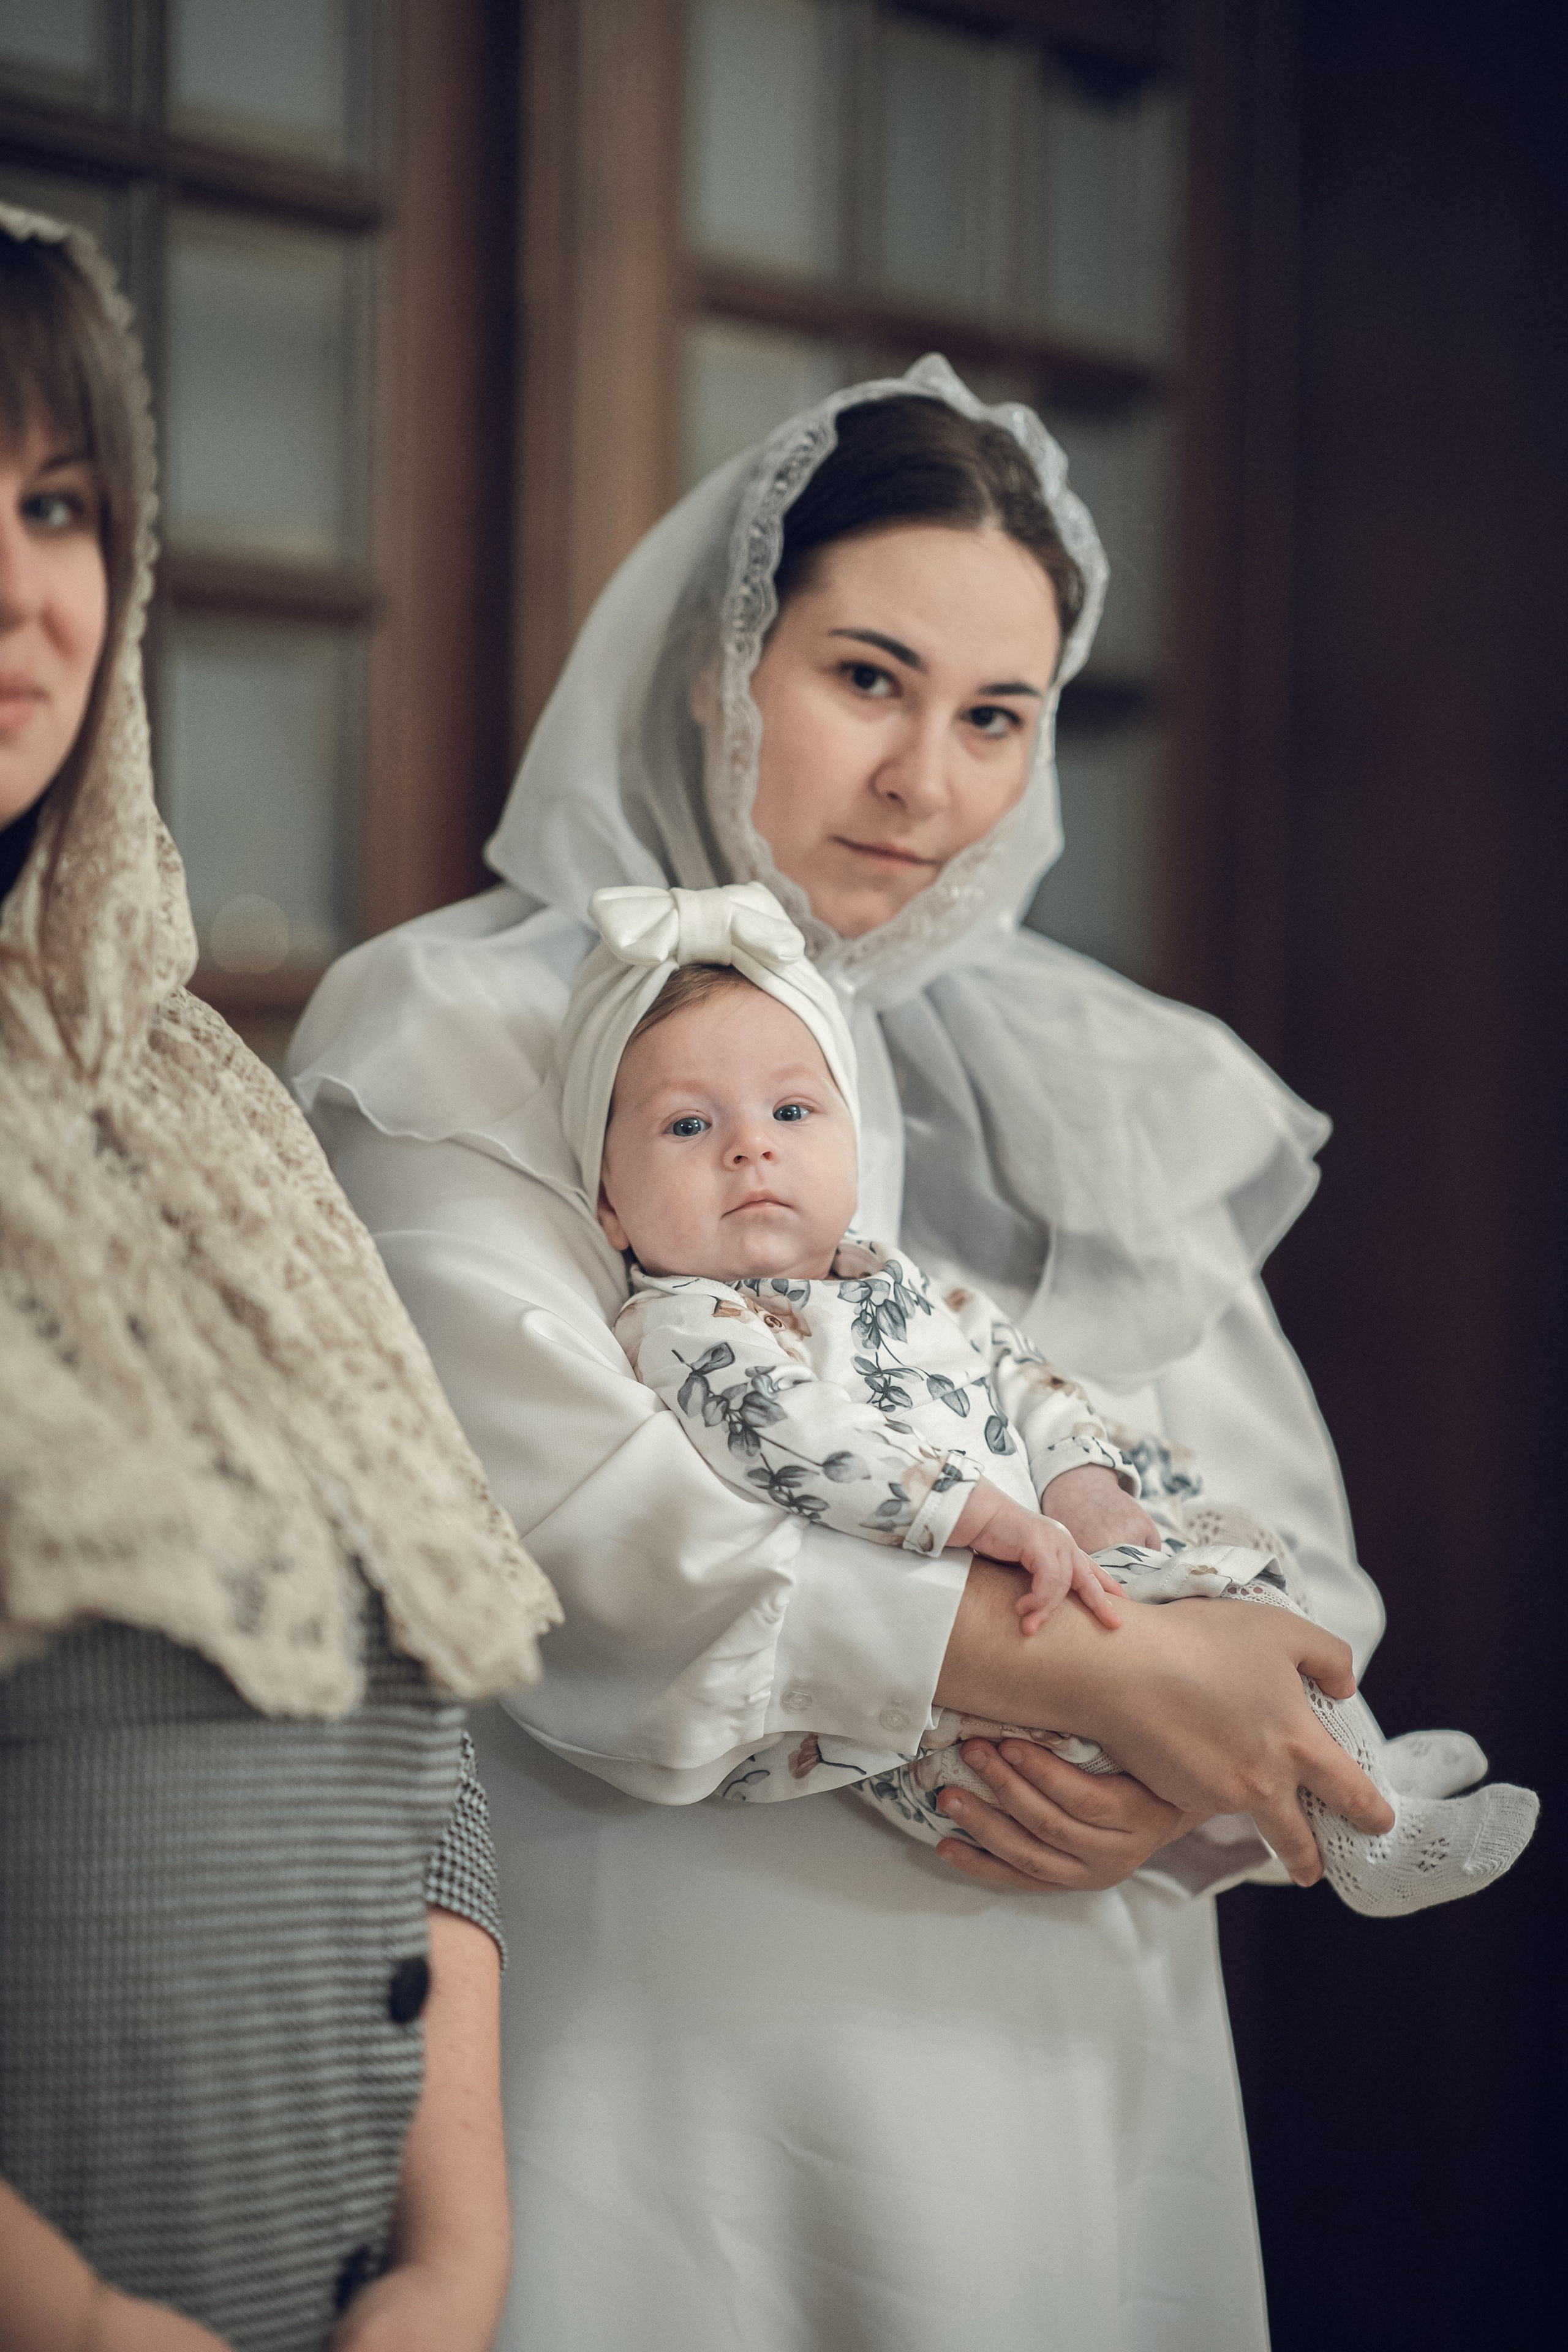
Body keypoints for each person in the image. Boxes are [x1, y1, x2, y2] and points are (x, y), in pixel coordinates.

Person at [289, 362, 1404, 2350]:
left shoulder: (1088, 1071)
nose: (928, 784)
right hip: (688, 2043)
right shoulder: (462, 1027)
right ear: (723, 656)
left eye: (998, 717)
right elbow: (564, 1540)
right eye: (867, 679)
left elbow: (1297, 1579)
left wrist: (1189, 1782)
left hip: (1080, 2046)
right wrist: (1134, 1675)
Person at [0, 208, 560, 2352]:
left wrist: (455, 2261)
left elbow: (415, 1700)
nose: (19, 582)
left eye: (61, 502)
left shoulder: (203, 1096)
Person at [569, 875, 1539, 1915]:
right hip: (933, 1707)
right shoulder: (689, 1322)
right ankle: (1364, 1830)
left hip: (1038, 1571)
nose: (749, 1145)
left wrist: (1080, 1479)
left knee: (1241, 1580)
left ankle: (1366, 1784)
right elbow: (794, 1440)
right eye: (685, 1128)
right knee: (1151, 1679)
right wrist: (974, 1512)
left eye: (793, 1110)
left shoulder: (896, 1279)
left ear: (851, 1145)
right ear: (612, 1207)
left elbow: (1024, 1376)